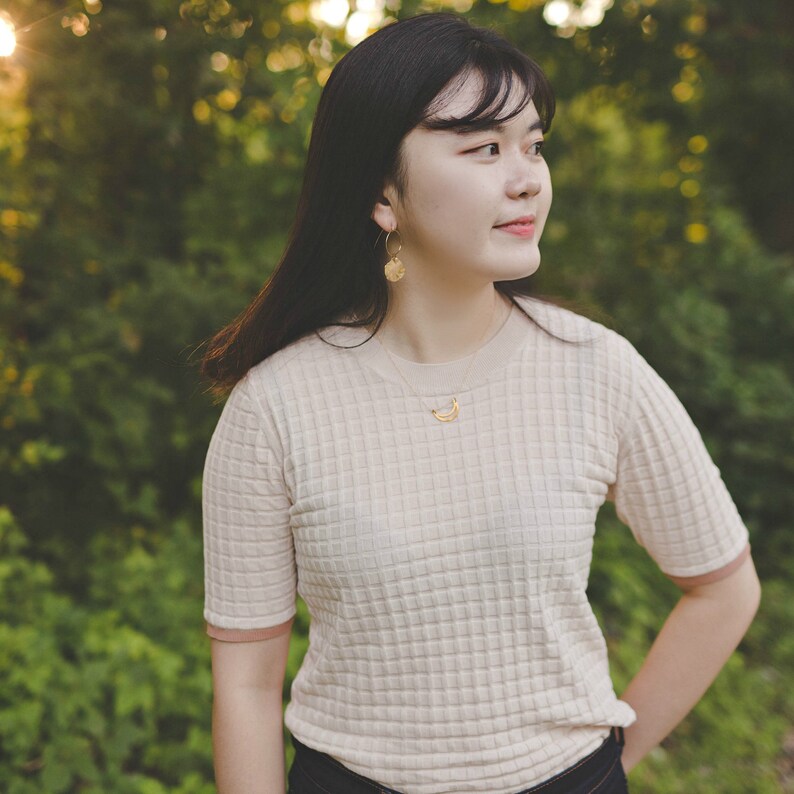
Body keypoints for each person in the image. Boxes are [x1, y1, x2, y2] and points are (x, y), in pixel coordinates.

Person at [198, 12, 761, 794]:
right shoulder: (274, 408)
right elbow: (247, 686)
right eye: (483, 148)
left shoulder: (595, 369)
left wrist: (604, 767)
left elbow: (725, 586)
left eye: (533, 144)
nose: (527, 175)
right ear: (381, 195)